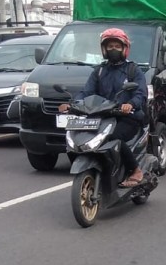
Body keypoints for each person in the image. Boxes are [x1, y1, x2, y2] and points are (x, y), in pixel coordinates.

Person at [63, 28, 148, 188]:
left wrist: (130, 104)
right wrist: (73, 104)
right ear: (104, 49)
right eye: (110, 46)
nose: (113, 49)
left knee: (114, 138)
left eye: (117, 46)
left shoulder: (133, 70)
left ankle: (135, 170)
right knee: (80, 137)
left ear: (124, 48)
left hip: (127, 117)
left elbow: (141, 93)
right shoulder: (99, 71)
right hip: (101, 117)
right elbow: (86, 92)